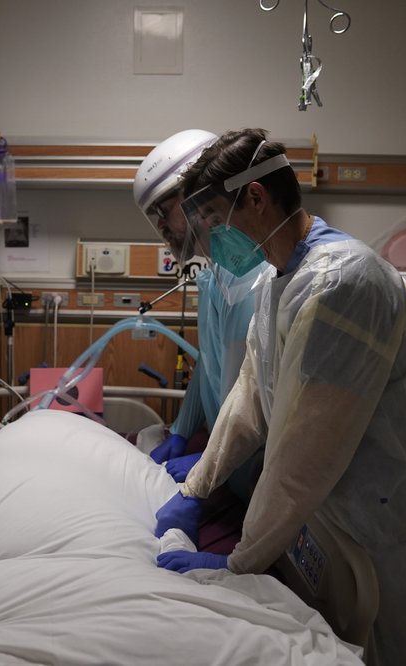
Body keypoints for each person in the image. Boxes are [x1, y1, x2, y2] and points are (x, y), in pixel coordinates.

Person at [153, 129, 406, 665]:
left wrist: (240, 563)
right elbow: (250, 399)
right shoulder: (280, 280)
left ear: (256, 199)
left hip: (396, 547)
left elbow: (301, 456)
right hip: (341, 534)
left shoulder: (342, 285)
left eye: (214, 221)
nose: (207, 242)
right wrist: (196, 489)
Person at [133, 130, 269, 502]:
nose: (161, 226)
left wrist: (210, 462)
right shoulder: (215, 275)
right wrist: (181, 430)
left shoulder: (257, 281)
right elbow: (209, 367)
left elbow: (257, 404)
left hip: (256, 475)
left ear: (203, 192)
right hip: (230, 474)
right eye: (153, 216)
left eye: (164, 210)